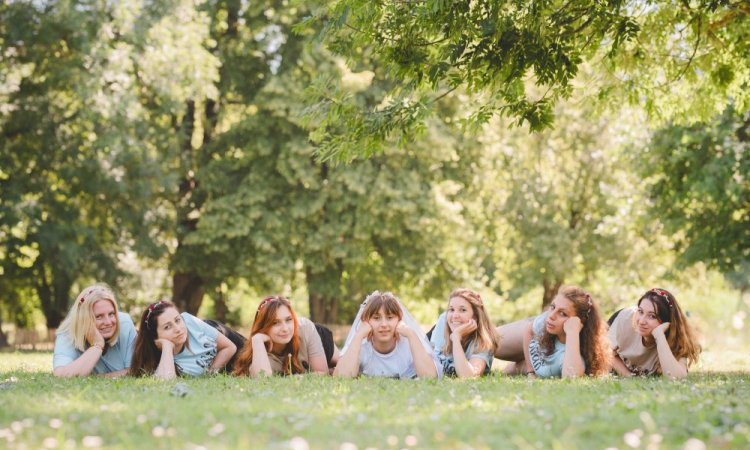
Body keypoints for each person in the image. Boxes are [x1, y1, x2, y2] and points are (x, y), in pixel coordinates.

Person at [494, 285, 610, 378]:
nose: (551, 316)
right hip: (529, 342)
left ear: (577, 322)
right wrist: (531, 372)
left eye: (562, 313)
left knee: (507, 371)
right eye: (553, 307)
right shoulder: (548, 320)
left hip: (534, 360)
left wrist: (572, 332)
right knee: (490, 342)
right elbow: (528, 330)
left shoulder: (570, 354)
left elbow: (572, 377)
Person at [334, 291, 441, 379]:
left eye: (390, 318)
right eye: (376, 318)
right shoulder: (360, 345)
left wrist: (411, 334)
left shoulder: (409, 343)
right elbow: (342, 377)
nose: (384, 324)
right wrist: (358, 336)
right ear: (366, 321)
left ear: (399, 320)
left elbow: (430, 376)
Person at [129, 300, 237, 379]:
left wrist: (210, 374)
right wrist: (167, 346)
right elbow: (166, 382)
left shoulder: (189, 321)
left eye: (177, 320)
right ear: (155, 337)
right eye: (167, 327)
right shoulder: (163, 362)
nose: (177, 329)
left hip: (236, 346)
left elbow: (230, 347)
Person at [233, 295, 337, 376]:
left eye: (288, 320)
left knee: (341, 365)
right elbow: (262, 378)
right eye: (275, 323)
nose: (285, 329)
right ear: (263, 327)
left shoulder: (305, 328)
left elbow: (322, 372)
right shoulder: (260, 351)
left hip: (315, 338)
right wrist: (257, 339)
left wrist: (302, 378)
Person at [608, 288, 701, 379]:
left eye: (652, 316)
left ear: (667, 321)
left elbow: (676, 377)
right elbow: (605, 352)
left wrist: (659, 335)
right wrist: (629, 376)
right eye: (640, 311)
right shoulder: (624, 319)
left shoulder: (676, 341)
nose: (641, 321)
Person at [53, 283, 136, 377]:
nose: (108, 322)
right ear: (83, 319)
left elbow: (134, 370)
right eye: (99, 316)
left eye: (111, 314)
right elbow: (62, 375)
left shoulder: (124, 324)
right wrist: (97, 345)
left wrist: (102, 377)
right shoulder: (67, 334)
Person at [430, 288, 499, 378]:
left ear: (475, 316)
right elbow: (430, 360)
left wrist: (456, 337)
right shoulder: (444, 321)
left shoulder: (483, 342)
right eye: (451, 310)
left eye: (463, 310)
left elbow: (468, 376)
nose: (455, 316)